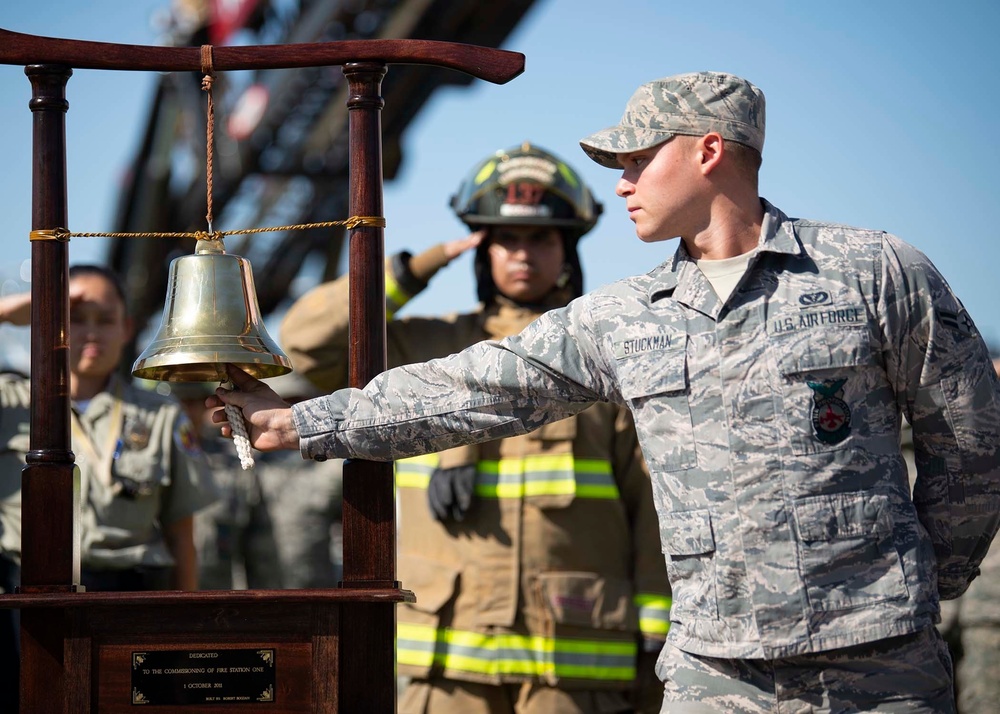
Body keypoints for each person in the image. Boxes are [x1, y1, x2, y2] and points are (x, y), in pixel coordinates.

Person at [211, 72, 1000, 713]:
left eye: (636, 160)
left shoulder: (873, 273)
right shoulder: (625, 319)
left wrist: (914, 590)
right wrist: (300, 423)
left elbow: (971, 443)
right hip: (714, 676)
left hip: (879, 672)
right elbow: (471, 387)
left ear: (708, 150)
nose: (620, 184)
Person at [279, 142, 672, 714]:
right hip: (447, 664)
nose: (522, 254)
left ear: (567, 249)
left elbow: (652, 505)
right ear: (481, 249)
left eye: (540, 238)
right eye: (505, 239)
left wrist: (658, 634)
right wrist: (416, 268)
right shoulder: (422, 347)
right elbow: (305, 343)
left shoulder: (603, 357)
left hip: (574, 663)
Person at [0, 264, 216, 593]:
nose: (91, 333)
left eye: (105, 320)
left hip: (126, 599)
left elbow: (181, 536)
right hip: (22, 597)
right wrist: (6, 311)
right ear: (46, 323)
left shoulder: (159, 416)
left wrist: (189, 623)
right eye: (75, 318)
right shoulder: (8, 403)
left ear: (126, 328)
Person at [169, 380, 283, 590]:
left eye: (193, 402)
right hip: (157, 597)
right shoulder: (153, 462)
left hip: (215, 598)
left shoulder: (233, 461)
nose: (185, 410)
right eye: (177, 402)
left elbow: (259, 549)